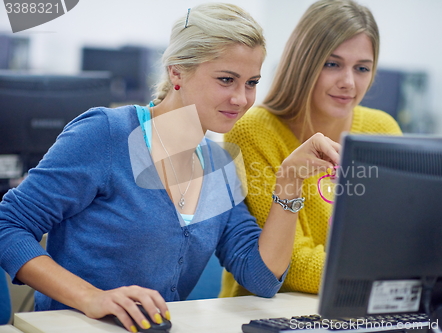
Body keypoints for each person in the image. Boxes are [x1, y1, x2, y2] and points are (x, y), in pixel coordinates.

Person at [0, 3, 340, 333]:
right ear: (176, 71)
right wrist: (91, 297)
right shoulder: (106, 134)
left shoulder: (219, 165)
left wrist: (289, 183)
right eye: (226, 80)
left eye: (251, 83)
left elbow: (261, 277)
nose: (241, 99)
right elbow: (8, 225)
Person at [220, 0, 402, 298]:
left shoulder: (383, 130)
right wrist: (389, 278)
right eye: (332, 64)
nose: (348, 82)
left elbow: (399, 238)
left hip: (361, 307)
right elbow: (293, 263)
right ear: (303, 62)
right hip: (272, 315)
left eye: (362, 68)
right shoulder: (254, 132)